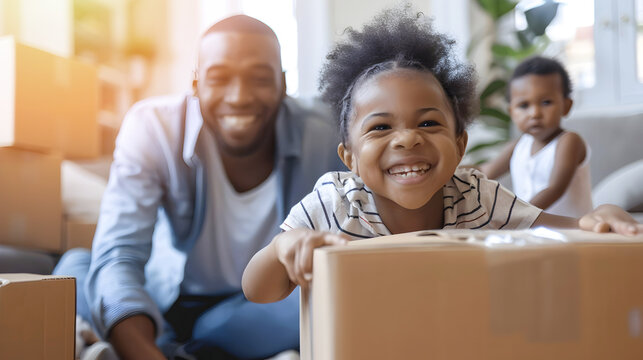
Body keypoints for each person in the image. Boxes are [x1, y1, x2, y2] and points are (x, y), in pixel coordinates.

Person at [241, 7, 643, 303]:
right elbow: (258, 290)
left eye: (429, 124)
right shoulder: (335, 205)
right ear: (349, 158)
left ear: (460, 145)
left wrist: (597, 219)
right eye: (381, 128)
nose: (407, 140)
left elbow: (560, 230)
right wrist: (283, 249)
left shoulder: (476, 196)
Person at [53, 15, 344, 360]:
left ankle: (170, 351)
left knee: (327, 286)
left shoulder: (325, 130)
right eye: (219, 78)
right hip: (163, 303)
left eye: (260, 79)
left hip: (258, 306)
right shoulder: (153, 128)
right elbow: (121, 254)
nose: (239, 97)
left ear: (282, 84)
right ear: (195, 85)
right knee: (76, 268)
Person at [479, 56, 593, 217]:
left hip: (573, 233)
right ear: (512, 112)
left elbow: (555, 189)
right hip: (532, 233)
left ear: (566, 106)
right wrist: (451, 169)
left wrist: (515, 216)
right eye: (524, 105)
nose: (535, 113)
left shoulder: (569, 141)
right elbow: (485, 170)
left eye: (546, 102)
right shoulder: (519, 146)